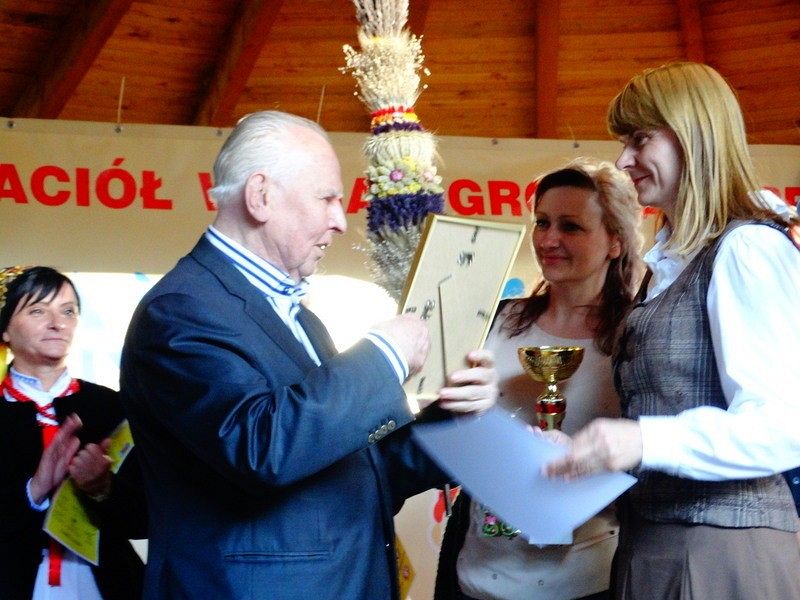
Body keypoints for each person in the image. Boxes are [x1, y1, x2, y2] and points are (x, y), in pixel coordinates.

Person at [119, 110, 498, 600]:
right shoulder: (181, 310)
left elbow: (357, 469)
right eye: (327, 198)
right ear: (260, 196)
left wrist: (455, 415)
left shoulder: (299, 317)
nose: (340, 221)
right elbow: (262, 449)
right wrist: (384, 356)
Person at [544, 62, 800, 599]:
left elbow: (784, 425)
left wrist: (642, 439)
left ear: (695, 134)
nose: (623, 160)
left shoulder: (747, 247)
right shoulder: (671, 264)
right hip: (654, 544)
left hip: (719, 551)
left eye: (640, 139)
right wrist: (584, 453)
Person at [435, 158, 644, 600]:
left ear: (615, 241)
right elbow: (444, 426)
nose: (549, 240)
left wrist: (586, 462)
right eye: (543, 222)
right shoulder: (496, 321)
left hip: (586, 584)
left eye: (571, 226)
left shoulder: (638, 336)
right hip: (477, 574)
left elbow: (654, 462)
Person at [0, 266, 146, 600]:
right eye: (38, 311)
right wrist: (34, 490)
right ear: (5, 329)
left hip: (107, 585)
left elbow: (146, 520)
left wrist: (102, 488)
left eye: (68, 311)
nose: (58, 323)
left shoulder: (112, 407)